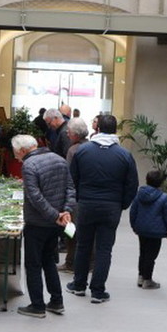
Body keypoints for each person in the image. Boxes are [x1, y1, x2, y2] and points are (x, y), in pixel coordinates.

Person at [66, 115, 138, 304]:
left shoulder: (83, 151)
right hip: (111, 207)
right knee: (104, 249)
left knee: (83, 245)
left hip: (87, 205)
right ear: (116, 130)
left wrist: (79, 200)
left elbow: (72, 180)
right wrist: (122, 204)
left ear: (97, 129)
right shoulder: (124, 155)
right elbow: (132, 185)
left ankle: (79, 285)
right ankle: (98, 291)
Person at [13, 135, 75, 318]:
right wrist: (66, 211)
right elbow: (70, 188)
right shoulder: (59, 159)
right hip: (56, 223)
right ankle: (57, 301)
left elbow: (35, 197)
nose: (16, 157)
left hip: (38, 223)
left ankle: (37, 305)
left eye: (16, 153)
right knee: (49, 260)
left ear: (23, 150)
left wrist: (55, 216)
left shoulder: (29, 165)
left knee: (33, 264)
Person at [129, 170, 167, 290]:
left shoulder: (139, 194)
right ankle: (147, 279)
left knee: (143, 252)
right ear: (160, 183)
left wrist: (134, 225)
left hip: (141, 229)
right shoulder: (164, 197)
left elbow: (133, 211)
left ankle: (141, 275)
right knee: (151, 255)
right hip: (156, 231)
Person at [58, 117, 89, 273]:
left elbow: (68, 175)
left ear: (76, 134)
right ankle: (89, 264)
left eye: (69, 132)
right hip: (88, 196)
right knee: (88, 232)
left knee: (70, 230)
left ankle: (70, 262)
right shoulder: (91, 146)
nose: (67, 134)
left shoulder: (73, 150)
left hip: (74, 196)